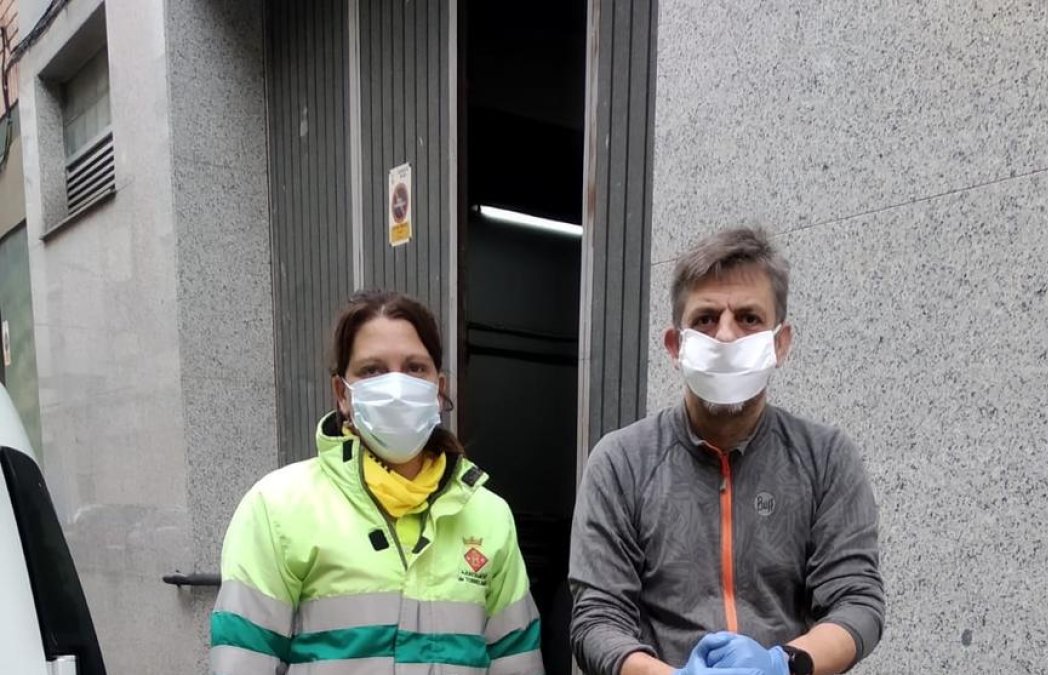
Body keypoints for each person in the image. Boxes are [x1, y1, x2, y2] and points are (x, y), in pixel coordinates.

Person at [569, 228, 884, 675]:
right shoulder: (621, 462)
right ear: (675, 346)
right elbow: (596, 620)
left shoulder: (826, 458)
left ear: (780, 343)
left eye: (750, 318)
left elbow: (857, 601)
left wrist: (782, 665)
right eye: (705, 319)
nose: (726, 335)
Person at [210, 290, 544, 675]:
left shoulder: (489, 516)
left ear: (439, 389)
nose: (397, 387)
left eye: (415, 368)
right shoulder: (278, 508)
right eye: (372, 370)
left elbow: (517, 663)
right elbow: (243, 663)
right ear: (342, 394)